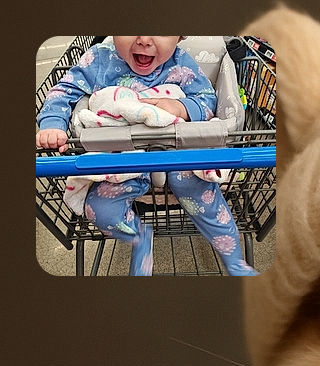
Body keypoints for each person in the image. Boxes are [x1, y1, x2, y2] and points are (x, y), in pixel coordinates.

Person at [36, 35, 258, 276]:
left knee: (205, 198)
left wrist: (182, 108)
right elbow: (63, 90)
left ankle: (234, 259)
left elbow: (207, 99)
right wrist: (53, 124)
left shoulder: (182, 63)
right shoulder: (99, 59)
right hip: (122, 160)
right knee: (99, 210)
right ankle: (139, 237)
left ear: (180, 35)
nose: (143, 39)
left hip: (179, 156)